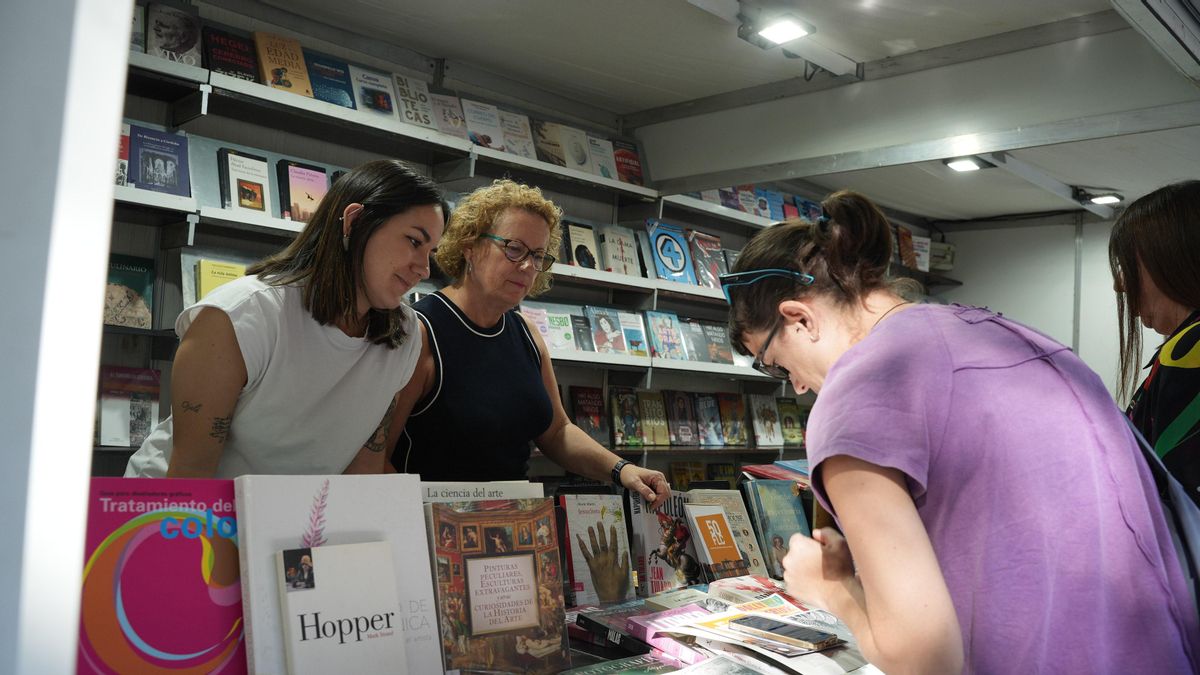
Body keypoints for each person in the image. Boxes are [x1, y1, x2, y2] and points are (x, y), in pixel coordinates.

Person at [721, 189, 1199, 673]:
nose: (799, 386)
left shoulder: (858, 394)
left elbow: (925, 658)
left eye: (776, 365)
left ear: (798, 318)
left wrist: (833, 589)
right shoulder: (1009, 334)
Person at [125, 159, 444, 477]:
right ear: (355, 221)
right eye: (414, 241)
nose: (424, 268)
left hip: (289, 517)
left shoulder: (404, 334)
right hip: (170, 515)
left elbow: (363, 470)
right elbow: (191, 475)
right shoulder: (240, 317)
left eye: (431, 252)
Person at [386, 179, 669, 507]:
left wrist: (622, 469)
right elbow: (376, 458)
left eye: (537, 255)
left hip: (516, 532)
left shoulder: (527, 334)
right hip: (440, 535)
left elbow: (557, 432)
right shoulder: (422, 331)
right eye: (514, 248)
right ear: (470, 246)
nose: (526, 266)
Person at [1109, 180, 1200, 505]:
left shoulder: (1190, 351)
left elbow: (1167, 492)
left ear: (1172, 259)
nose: (1121, 285)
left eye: (1128, 266)